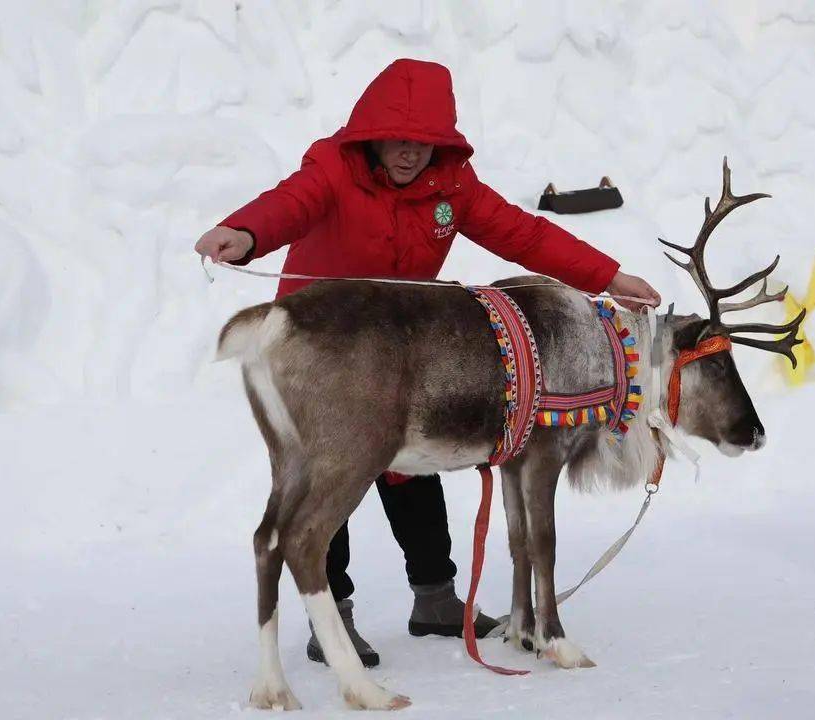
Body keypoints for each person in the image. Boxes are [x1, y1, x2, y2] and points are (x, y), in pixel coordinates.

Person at [195, 58, 660, 668]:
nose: (410, 154)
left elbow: (524, 235)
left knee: (411, 471)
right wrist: (245, 233)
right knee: (331, 474)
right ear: (371, 134)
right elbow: (291, 204)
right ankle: (330, 614)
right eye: (398, 139)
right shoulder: (334, 168)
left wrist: (609, 276)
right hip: (327, 348)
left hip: (407, 347)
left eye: (424, 142)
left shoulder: (453, 186)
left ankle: (435, 597)